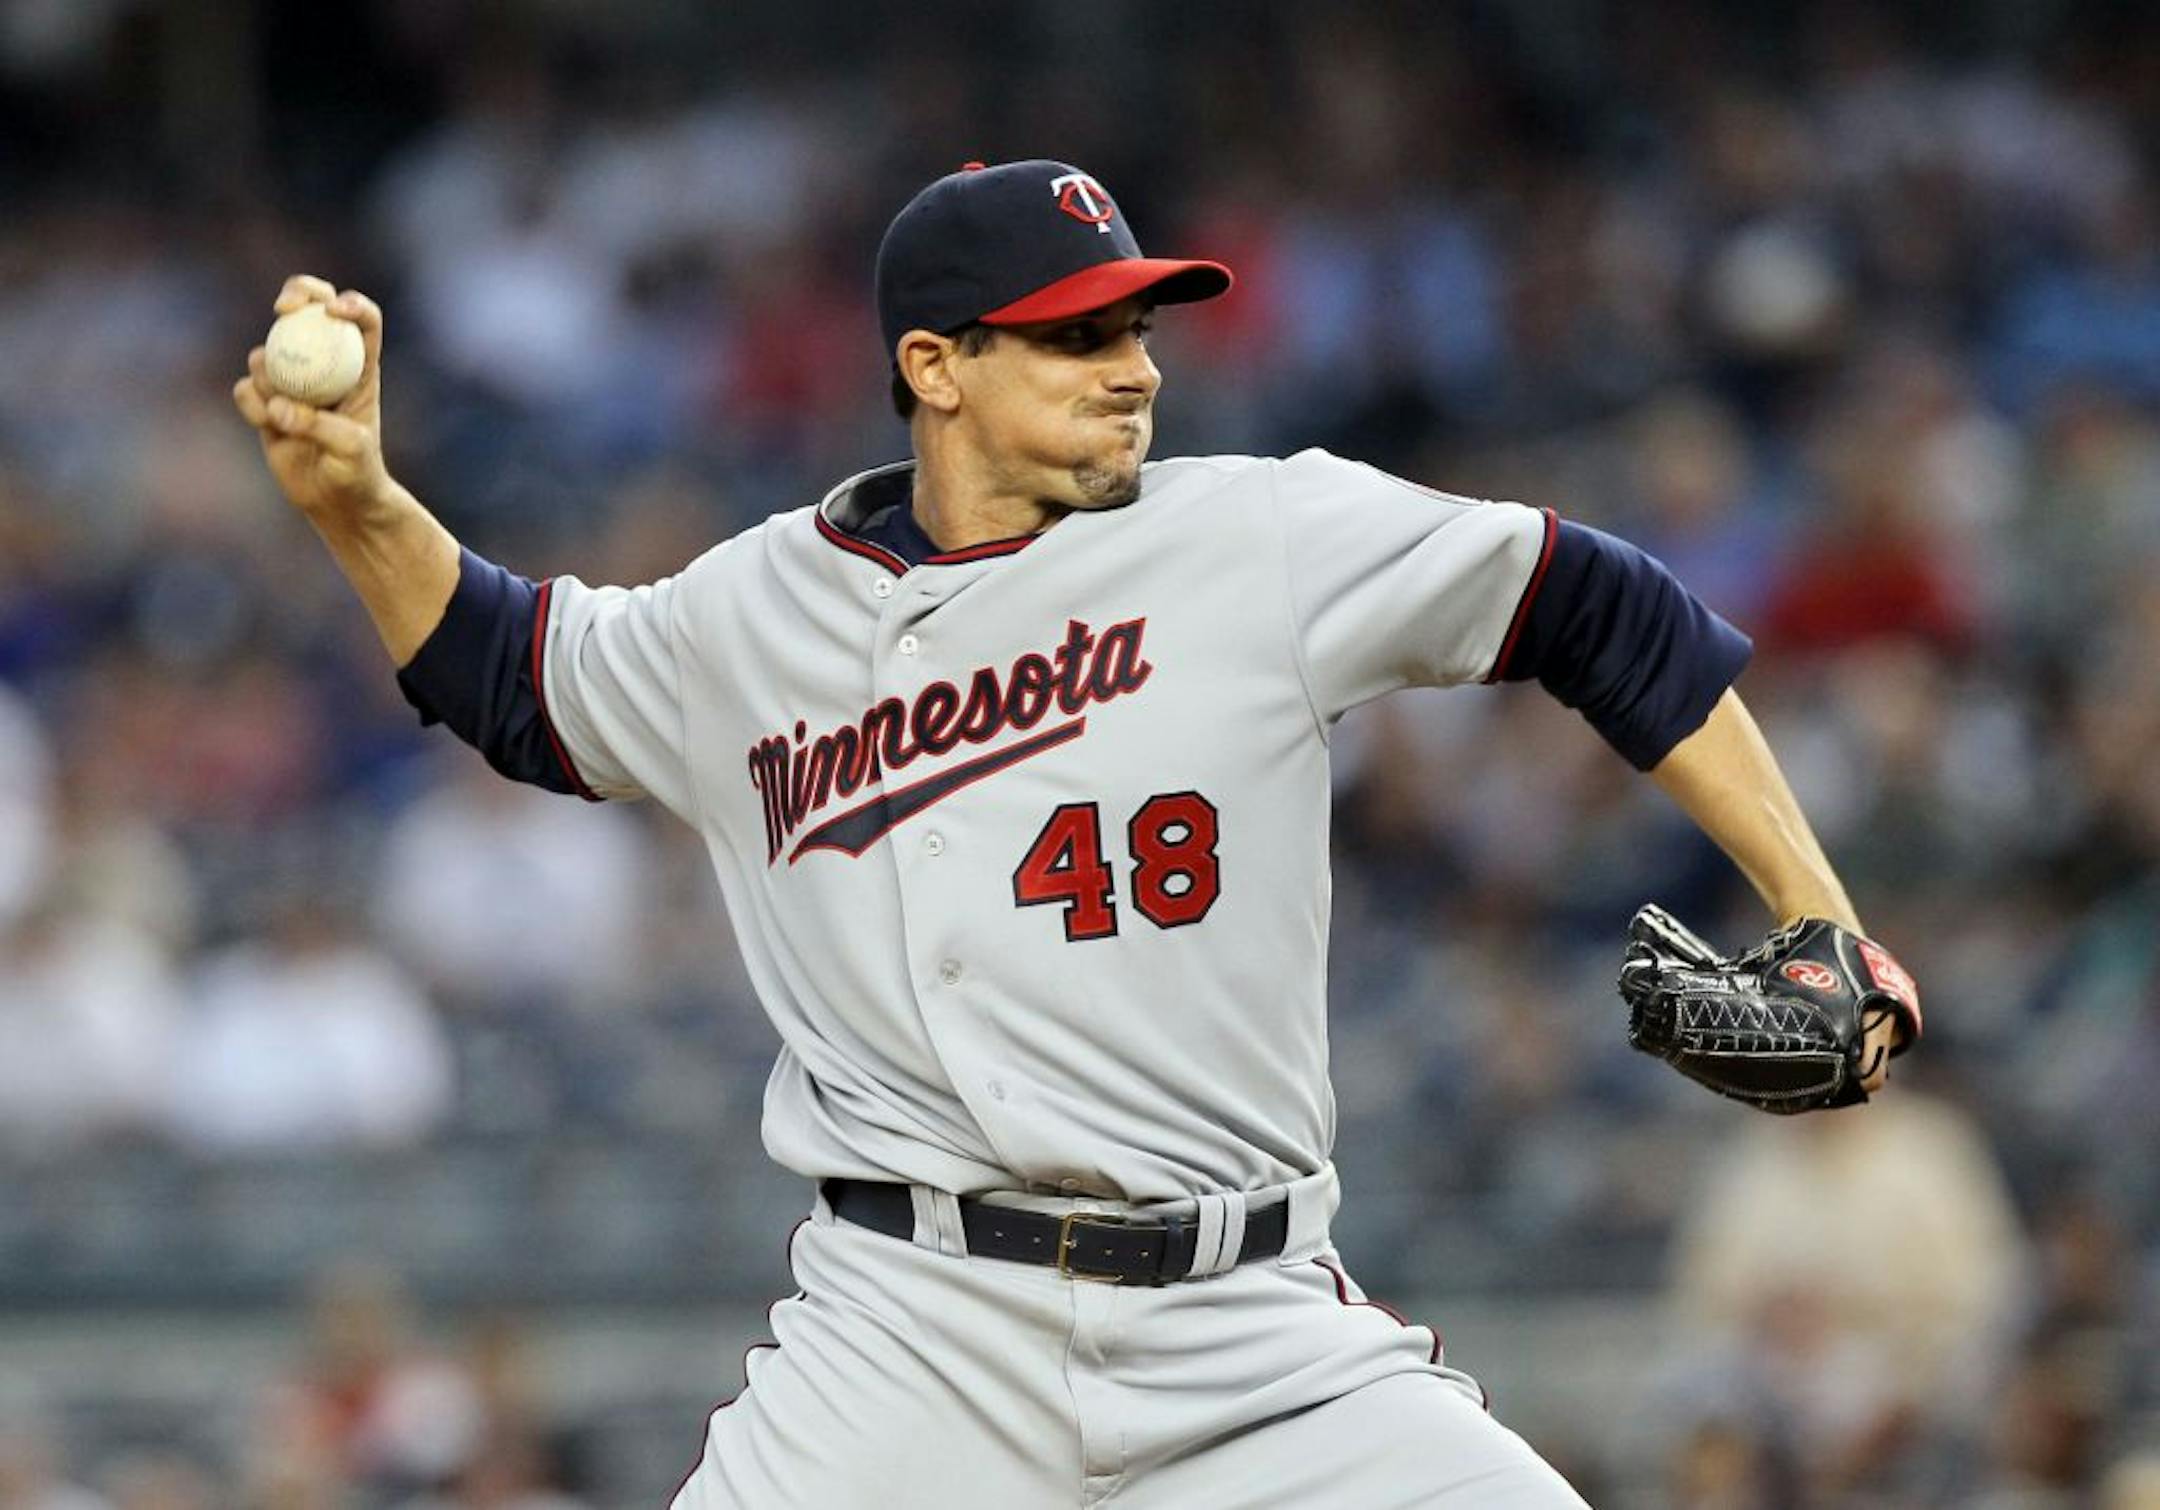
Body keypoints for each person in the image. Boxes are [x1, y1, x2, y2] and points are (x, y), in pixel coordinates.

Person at [234, 159, 1905, 1508]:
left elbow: (1604, 608)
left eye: (1140, 331)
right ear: (935, 367)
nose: (1137, 371)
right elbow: (519, 681)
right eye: (1079, 338)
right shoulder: (753, 611)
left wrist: (1817, 907)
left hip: (1249, 1331)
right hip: (911, 1332)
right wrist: (362, 506)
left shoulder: (1258, 533)